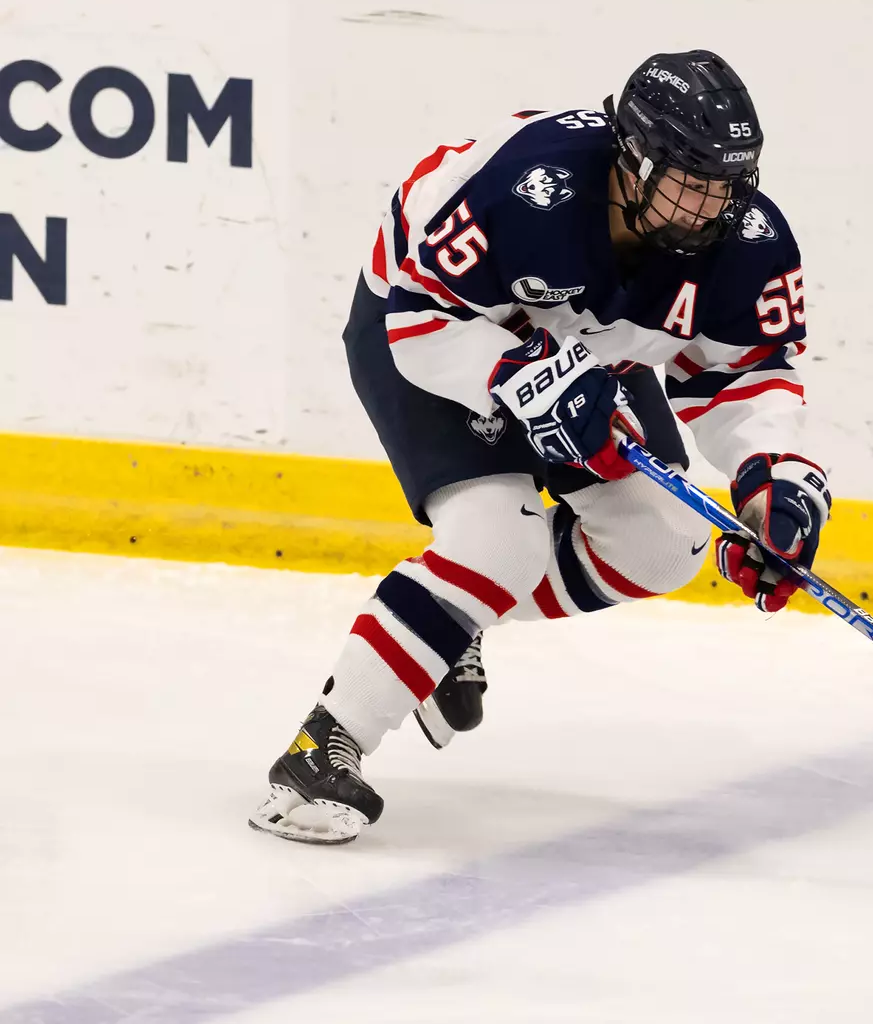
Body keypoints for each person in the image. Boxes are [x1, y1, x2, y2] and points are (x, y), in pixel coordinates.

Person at [249, 50, 831, 845]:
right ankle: (319, 751)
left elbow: (748, 374)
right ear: (633, 159)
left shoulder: (748, 240)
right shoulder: (529, 185)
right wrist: (524, 379)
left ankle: (447, 621)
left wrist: (773, 479)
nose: (710, 208)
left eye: (727, 184)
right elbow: (421, 322)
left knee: (665, 541)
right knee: (498, 543)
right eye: (690, 181)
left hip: (582, 351)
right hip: (435, 332)